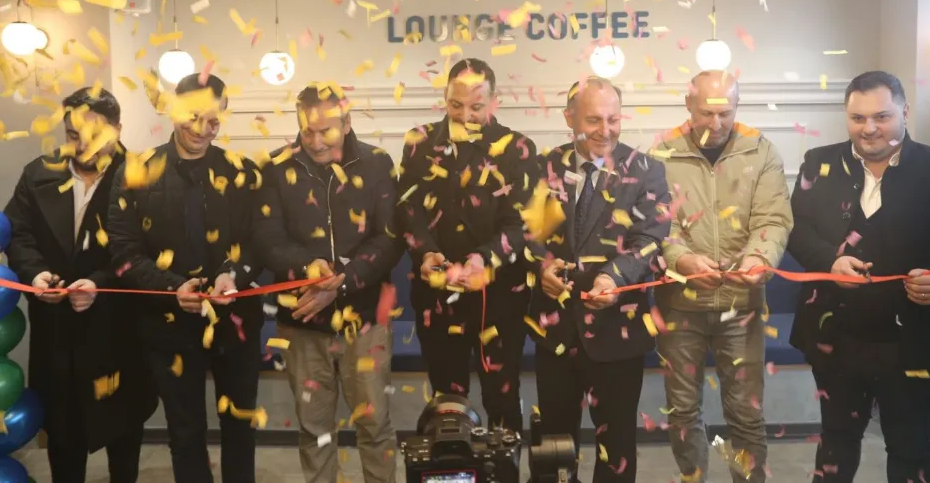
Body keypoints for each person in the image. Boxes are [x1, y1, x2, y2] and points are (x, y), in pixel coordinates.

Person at [788, 70, 930, 483]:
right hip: (836, 338)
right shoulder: (818, 163)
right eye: (858, 118)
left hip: (915, 342)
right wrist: (830, 262)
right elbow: (797, 231)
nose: (869, 128)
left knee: (911, 452)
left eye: (882, 116)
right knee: (836, 445)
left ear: (905, 112)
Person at [107, 73, 263, 483]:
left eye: (213, 121)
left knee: (240, 425)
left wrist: (233, 274)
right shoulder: (136, 171)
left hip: (235, 319)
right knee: (185, 431)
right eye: (193, 116)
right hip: (168, 323)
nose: (202, 129)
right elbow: (124, 252)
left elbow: (257, 241)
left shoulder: (242, 171)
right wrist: (172, 287)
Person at [4, 87, 157, 483]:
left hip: (120, 330)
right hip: (58, 332)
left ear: (117, 128)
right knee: (63, 436)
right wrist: (35, 273)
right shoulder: (38, 173)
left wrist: (100, 283)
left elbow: (151, 249)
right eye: (73, 135)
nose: (83, 145)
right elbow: (18, 233)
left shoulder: (144, 176)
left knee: (123, 436)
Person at [253, 82, 403, 483]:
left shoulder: (377, 164)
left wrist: (341, 282)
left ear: (347, 122)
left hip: (365, 321)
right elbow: (267, 239)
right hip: (301, 322)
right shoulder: (276, 167)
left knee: (375, 426)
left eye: (326, 131)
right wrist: (308, 268)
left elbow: (390, 238)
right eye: (307, 132)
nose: (316, 142)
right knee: (314, 430)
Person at [529, 77, 671, 483]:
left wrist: (613, 277)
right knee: (554, 447)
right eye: (593, 120)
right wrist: (541, 268)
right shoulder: (543, 167)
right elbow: (526, 232)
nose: (605, 130)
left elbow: (650, 238)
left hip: (617, 332)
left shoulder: (647, 170)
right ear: (569, 117)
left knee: (617, 449)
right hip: (555, 331)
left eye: (613, 119)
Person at [654, 71, 792, 482]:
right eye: (706, 113)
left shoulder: (760, 151)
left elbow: (772, 219)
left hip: (742, 305)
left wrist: (758, 258)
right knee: (682, 412)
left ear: (737, 107)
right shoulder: (660, 154)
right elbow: (656, 226)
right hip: (680, 306)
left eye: (725, 114)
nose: (715, 124)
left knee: (745, 413)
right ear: (688, 105)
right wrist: (681, 260)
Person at [397, 58, 537, 431]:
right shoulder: (419, 143)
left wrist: (484, 259)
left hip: (500, 296)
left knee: (502, 398)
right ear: (445, 98)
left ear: (493, 101)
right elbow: (408, 210)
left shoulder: (518, 148)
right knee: (447, 402)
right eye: (455, 105)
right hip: (437, 295)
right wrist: (426, 251)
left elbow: (521, 223)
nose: (465, 116)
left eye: (476, 107)